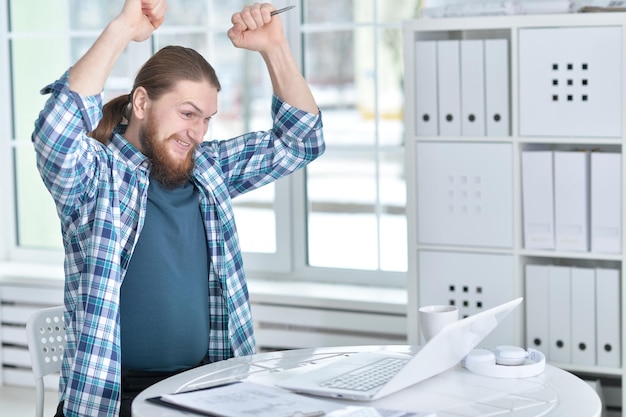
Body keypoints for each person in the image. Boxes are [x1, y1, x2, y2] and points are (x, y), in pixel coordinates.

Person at [31, 0, 324, 416]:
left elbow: (302, 142)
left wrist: (274, 48)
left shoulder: (209, 168)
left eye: (206, 118)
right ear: (142, 103)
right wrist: (122, 29)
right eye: (188, 113)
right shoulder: (95, 176)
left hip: (206, 387)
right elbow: (56, 134)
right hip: (114, 399)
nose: (197, 132)